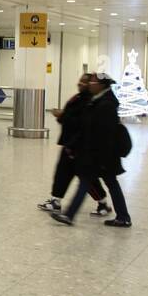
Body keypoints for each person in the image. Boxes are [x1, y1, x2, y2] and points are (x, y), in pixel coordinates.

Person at [51, 73, 132, 228]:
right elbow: (86, 127)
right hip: (97, 155)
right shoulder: (97, 101)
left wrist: (100, 158)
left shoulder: (106, 105)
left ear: (102, 85)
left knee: (97, 183)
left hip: (102, 156)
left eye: (93, 82)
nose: (90, 85)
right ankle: (122, 216)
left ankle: (70, 215)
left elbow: (105, 135)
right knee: (93, 183)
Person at [38, 73, 112, 216]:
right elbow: (68, 117)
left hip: (79, 146)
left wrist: (63, 116)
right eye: (80, 81)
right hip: (69, 143)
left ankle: (102, 202)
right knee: (62, 172)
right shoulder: (77, 98)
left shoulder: (90, 102)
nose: (81, 84)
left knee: (86, 178)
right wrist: (62, 117)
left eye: (85, 82)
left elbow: (81, 123)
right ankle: (56, 200)